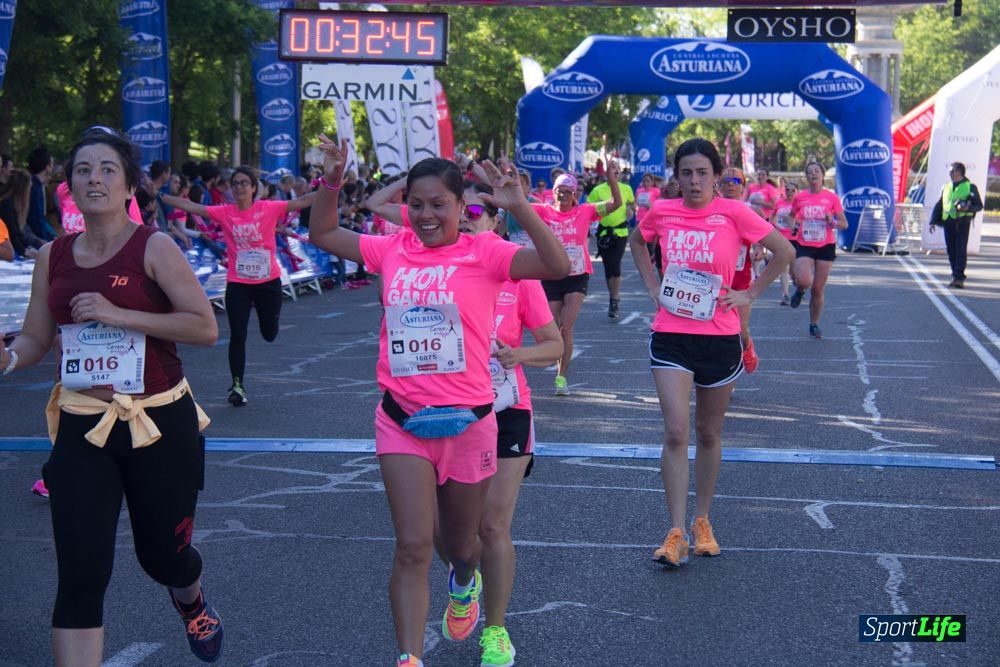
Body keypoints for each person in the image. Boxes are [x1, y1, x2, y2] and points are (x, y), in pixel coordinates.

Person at [308, 136, 570, 667]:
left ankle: (465, 582)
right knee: (411, 545)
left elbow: (556, 264)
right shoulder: (391, 248)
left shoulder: (486, 252)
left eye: (439, 205)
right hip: (402, 418)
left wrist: (520, 206)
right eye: (417, 205)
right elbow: (323, 232)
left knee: (463, 543)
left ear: (459, 206)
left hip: (471, 423)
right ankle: (409, 658)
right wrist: (331, 182)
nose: (426, 216)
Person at [0, 127, 222, 664]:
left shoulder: (154, 246)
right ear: (68, 185)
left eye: (106, 169)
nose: (93, 178)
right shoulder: (52, 256)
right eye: (82, 170)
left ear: (127, 187)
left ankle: (188, 596)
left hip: (159, 422)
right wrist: (8, 356)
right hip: (84, 422)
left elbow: (203, 326)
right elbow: (36, 336)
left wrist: (118, 313)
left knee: (163, 558)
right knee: (80, 573)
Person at [628, 138, 793, 568]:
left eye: (702, 172)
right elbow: (636, 243)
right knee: (676, 432)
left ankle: (703, 519)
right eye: (686, 173)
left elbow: (785, 251)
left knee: (708, 434)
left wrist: (749, 294)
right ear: (676, 176)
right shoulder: (662, 211)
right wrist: (651, 287)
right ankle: (676, 530)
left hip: (720, 335)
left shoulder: (735, 212)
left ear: (716, 176)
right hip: (671, 334)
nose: (694, 181)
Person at [446, 180, 562, 667]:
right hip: (450, 411)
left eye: (482, 209)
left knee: (493, 525)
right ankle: (463, 578)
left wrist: (520, 354)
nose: (472, 215)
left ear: (496, 221)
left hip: (508, 408)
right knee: (454, 533)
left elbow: (555, 345)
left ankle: (495, 630)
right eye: (464, 208)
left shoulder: (519, 276)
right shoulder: (437, 269)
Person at [161, 167, 316, 405]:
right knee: (238, 335)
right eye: (235, 183)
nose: (240, 187)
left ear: (254, 188)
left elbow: (304, 200)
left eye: (245, 183)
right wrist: (159, 196)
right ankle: (237, 386)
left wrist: (331, 186)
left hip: (268, 283)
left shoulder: (268, 207)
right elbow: (192, 207)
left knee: (269, 333)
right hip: (238, 283)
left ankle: (270, 325)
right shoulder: (225, 212)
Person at [534, 170, 621, 395]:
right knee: (552, 327)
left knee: (567, 327)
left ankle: (561, 377)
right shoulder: (544, 211)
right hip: (552, 275)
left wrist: (611, 176)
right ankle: (557, 365)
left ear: (575, 194)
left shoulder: (586, 211)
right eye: (558, 192)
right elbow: (517, 206)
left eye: (567, 192)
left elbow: (616, 203)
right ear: (553, 193)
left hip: (577, 275)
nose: (562, 196)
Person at [788, 161, 848, 338]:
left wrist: (833, 221)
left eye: (816, 171)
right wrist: (794, 226)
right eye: (809, 172)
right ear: (806, 177)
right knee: (804, 280)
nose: (813, 174)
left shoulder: (832, 198)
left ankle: (814, 323)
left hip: (825, 246)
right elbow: (791, 217)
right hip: (804, 244)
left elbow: (844, 224)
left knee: (817, 289)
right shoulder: (800, 198)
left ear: (822, 175)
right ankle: (799, 290)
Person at [928, 162, 984, 289]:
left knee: (960, 250)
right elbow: (940, 203)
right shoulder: (946, 186)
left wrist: (968, 206)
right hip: (948, 222)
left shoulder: (970, 187)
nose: (950, 173)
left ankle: (959, 278)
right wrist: (932, 221)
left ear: (960, 172)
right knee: (951, 250)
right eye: (950, 171)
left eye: (952, 171)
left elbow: (979, 206)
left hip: (962, 223)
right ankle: (955, 275)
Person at [587, 166, 632, 318]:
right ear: (607, 174)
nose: (615, 174)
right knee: (608, 267)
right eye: (611, 172)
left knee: (615, 264)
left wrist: (632, 210)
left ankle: (615, 298)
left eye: (617, 172)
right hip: (604, 233)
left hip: (620, 232)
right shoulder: (598, 190)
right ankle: (612, 297)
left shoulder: (626, 189)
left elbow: (632, 204)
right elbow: (589, 208)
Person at [0, 169, 44, 258]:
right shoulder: (7, 204)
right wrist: (24, 251)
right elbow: (13, 233)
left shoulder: (11, 204)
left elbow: (18, 234)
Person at [771, 181, 799, 305]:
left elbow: (804, 220)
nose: (790, 193)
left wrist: (794, 223)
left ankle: (797, 285)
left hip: (795, 238)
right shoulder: (779, 203)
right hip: (782, 238)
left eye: (793, 190)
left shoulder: (799, 204)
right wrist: (775, 225)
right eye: (787, 190)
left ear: (797, 192)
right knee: (783, 268)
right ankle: (785, 294)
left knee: (793, 270)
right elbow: (773, 217)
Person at [27, 146, 57, 242]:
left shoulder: (36, 184)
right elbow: (36, 218)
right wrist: (48, 240)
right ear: (47, 166)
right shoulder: (34, 186)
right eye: (51, 164)